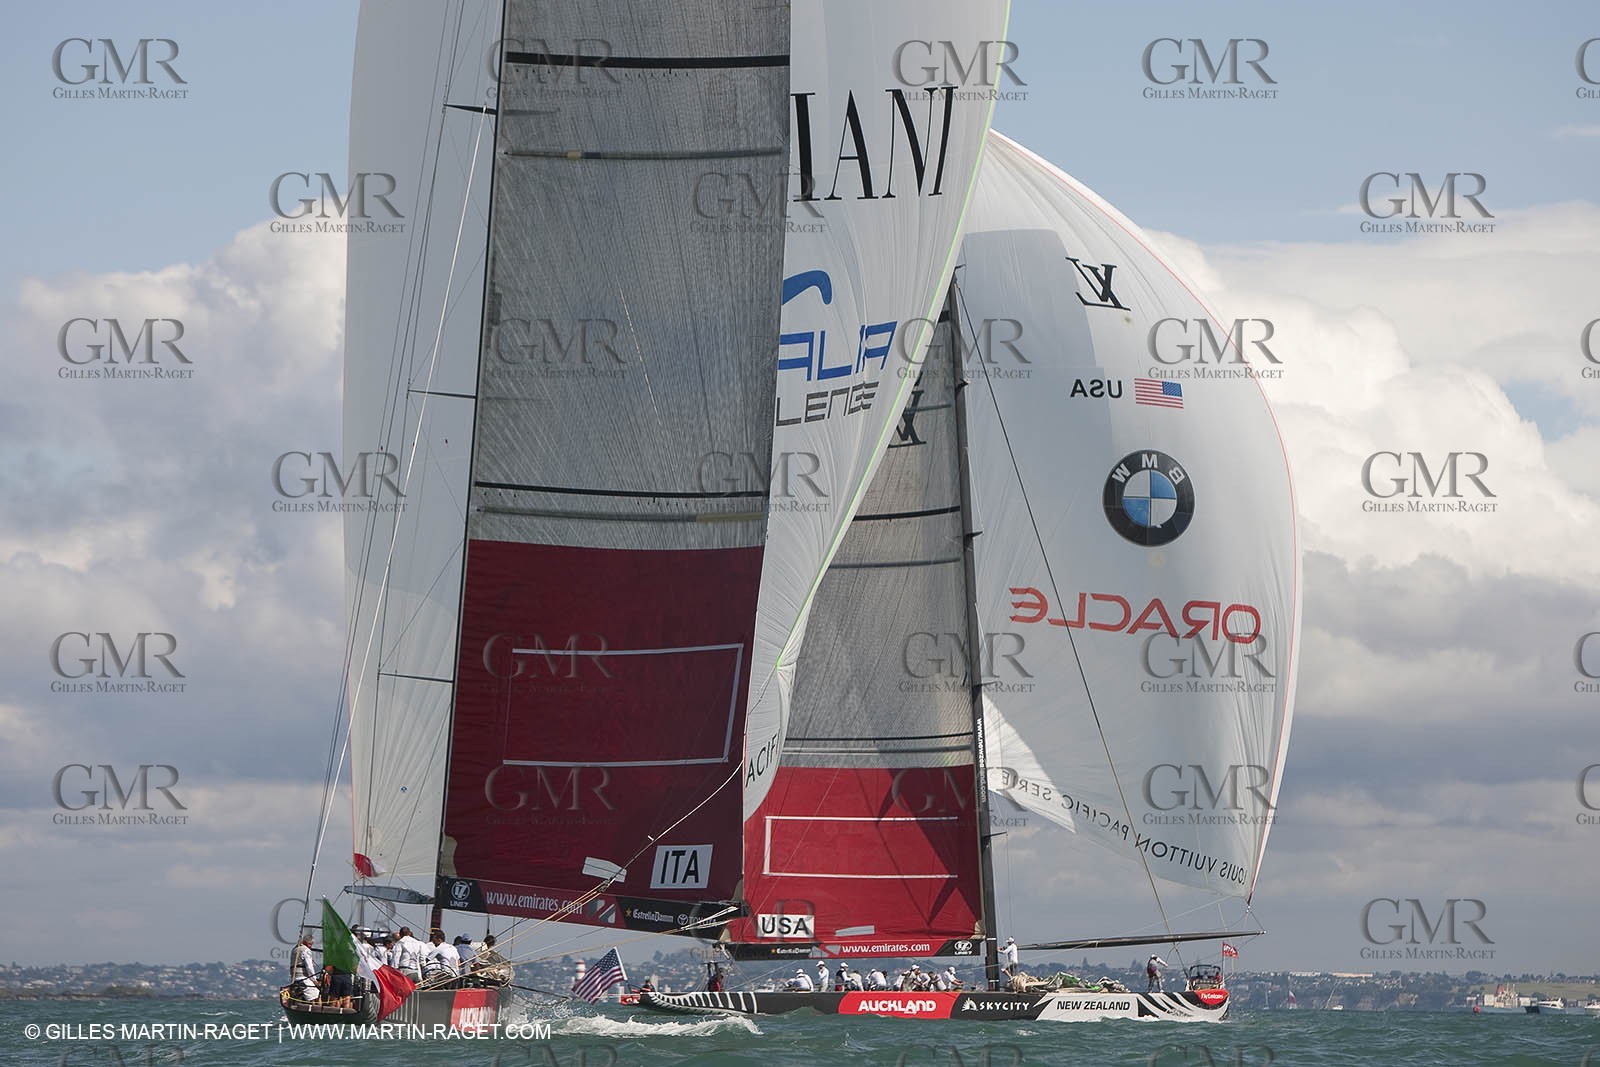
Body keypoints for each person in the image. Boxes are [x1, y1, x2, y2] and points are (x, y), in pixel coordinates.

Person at [289, 933, 320, 1001]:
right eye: (310, 944)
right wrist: (314, 981)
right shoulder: (306, 950)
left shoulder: (294, 949)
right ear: (307, 942)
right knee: (316, 995)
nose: (311, 946)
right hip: (304, 978)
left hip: (294, 979)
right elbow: (309, 967)